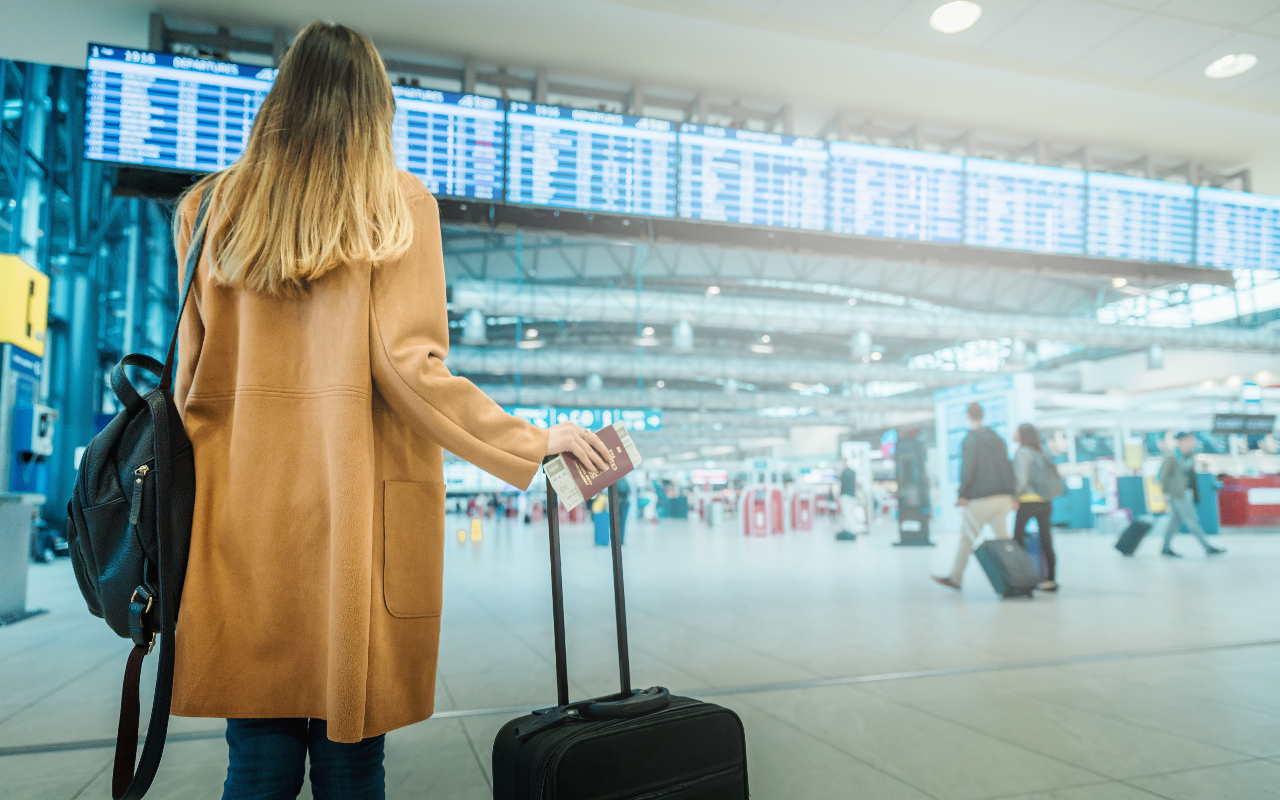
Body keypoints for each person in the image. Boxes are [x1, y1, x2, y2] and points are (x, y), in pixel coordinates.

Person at [167, 22, 615, 800]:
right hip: (352, 526)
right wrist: (532, 443)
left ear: (280, 99)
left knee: (258, 759)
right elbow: (410, 371)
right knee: (350, 760)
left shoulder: (209, 210)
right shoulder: (394, 204)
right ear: (376, 108)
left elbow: (188, 385)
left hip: (239, 523)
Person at [932, 403, 1016, 590]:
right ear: (984, 414)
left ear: (968, 415)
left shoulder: (970, 439)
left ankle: (955, 577)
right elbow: (1007, 467)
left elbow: (968, 469)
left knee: (966, 538)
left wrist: (962, 494)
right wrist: (1012, 495)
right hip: (1002, 497)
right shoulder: (997, 438)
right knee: (1003, 541)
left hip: (981, 498)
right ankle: (1015, 577)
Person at [1012, 423, 1064, 592]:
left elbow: (1021, 478)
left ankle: (1020, 577)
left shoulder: (1022, 452)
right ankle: (1050, 580)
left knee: (1017, 540)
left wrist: (1014, 497)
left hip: (1027, 501)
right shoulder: (1043, 451)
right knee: (1046, 541)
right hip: (1045, 501)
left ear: (1022, 435)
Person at [1158, 432, 1226, 558]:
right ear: (1182, 440)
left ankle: (1165, 548)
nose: (1193, 442)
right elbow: (1163, 476)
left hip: (1186, 491)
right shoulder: (1172, 456)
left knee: (1175, 521)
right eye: (1191, 439)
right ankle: (1207, 547)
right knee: (1192, 520)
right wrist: (1164, 493)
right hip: (1178, 493)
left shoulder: (1191, 455)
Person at [837, 458, 859, 539]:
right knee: (851, 513)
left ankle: (851, 530)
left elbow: (841, 483)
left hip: (845, 495)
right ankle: (851, 529)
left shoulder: (843, 472)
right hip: (852, 495)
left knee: (847, 514)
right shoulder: (853, 472)